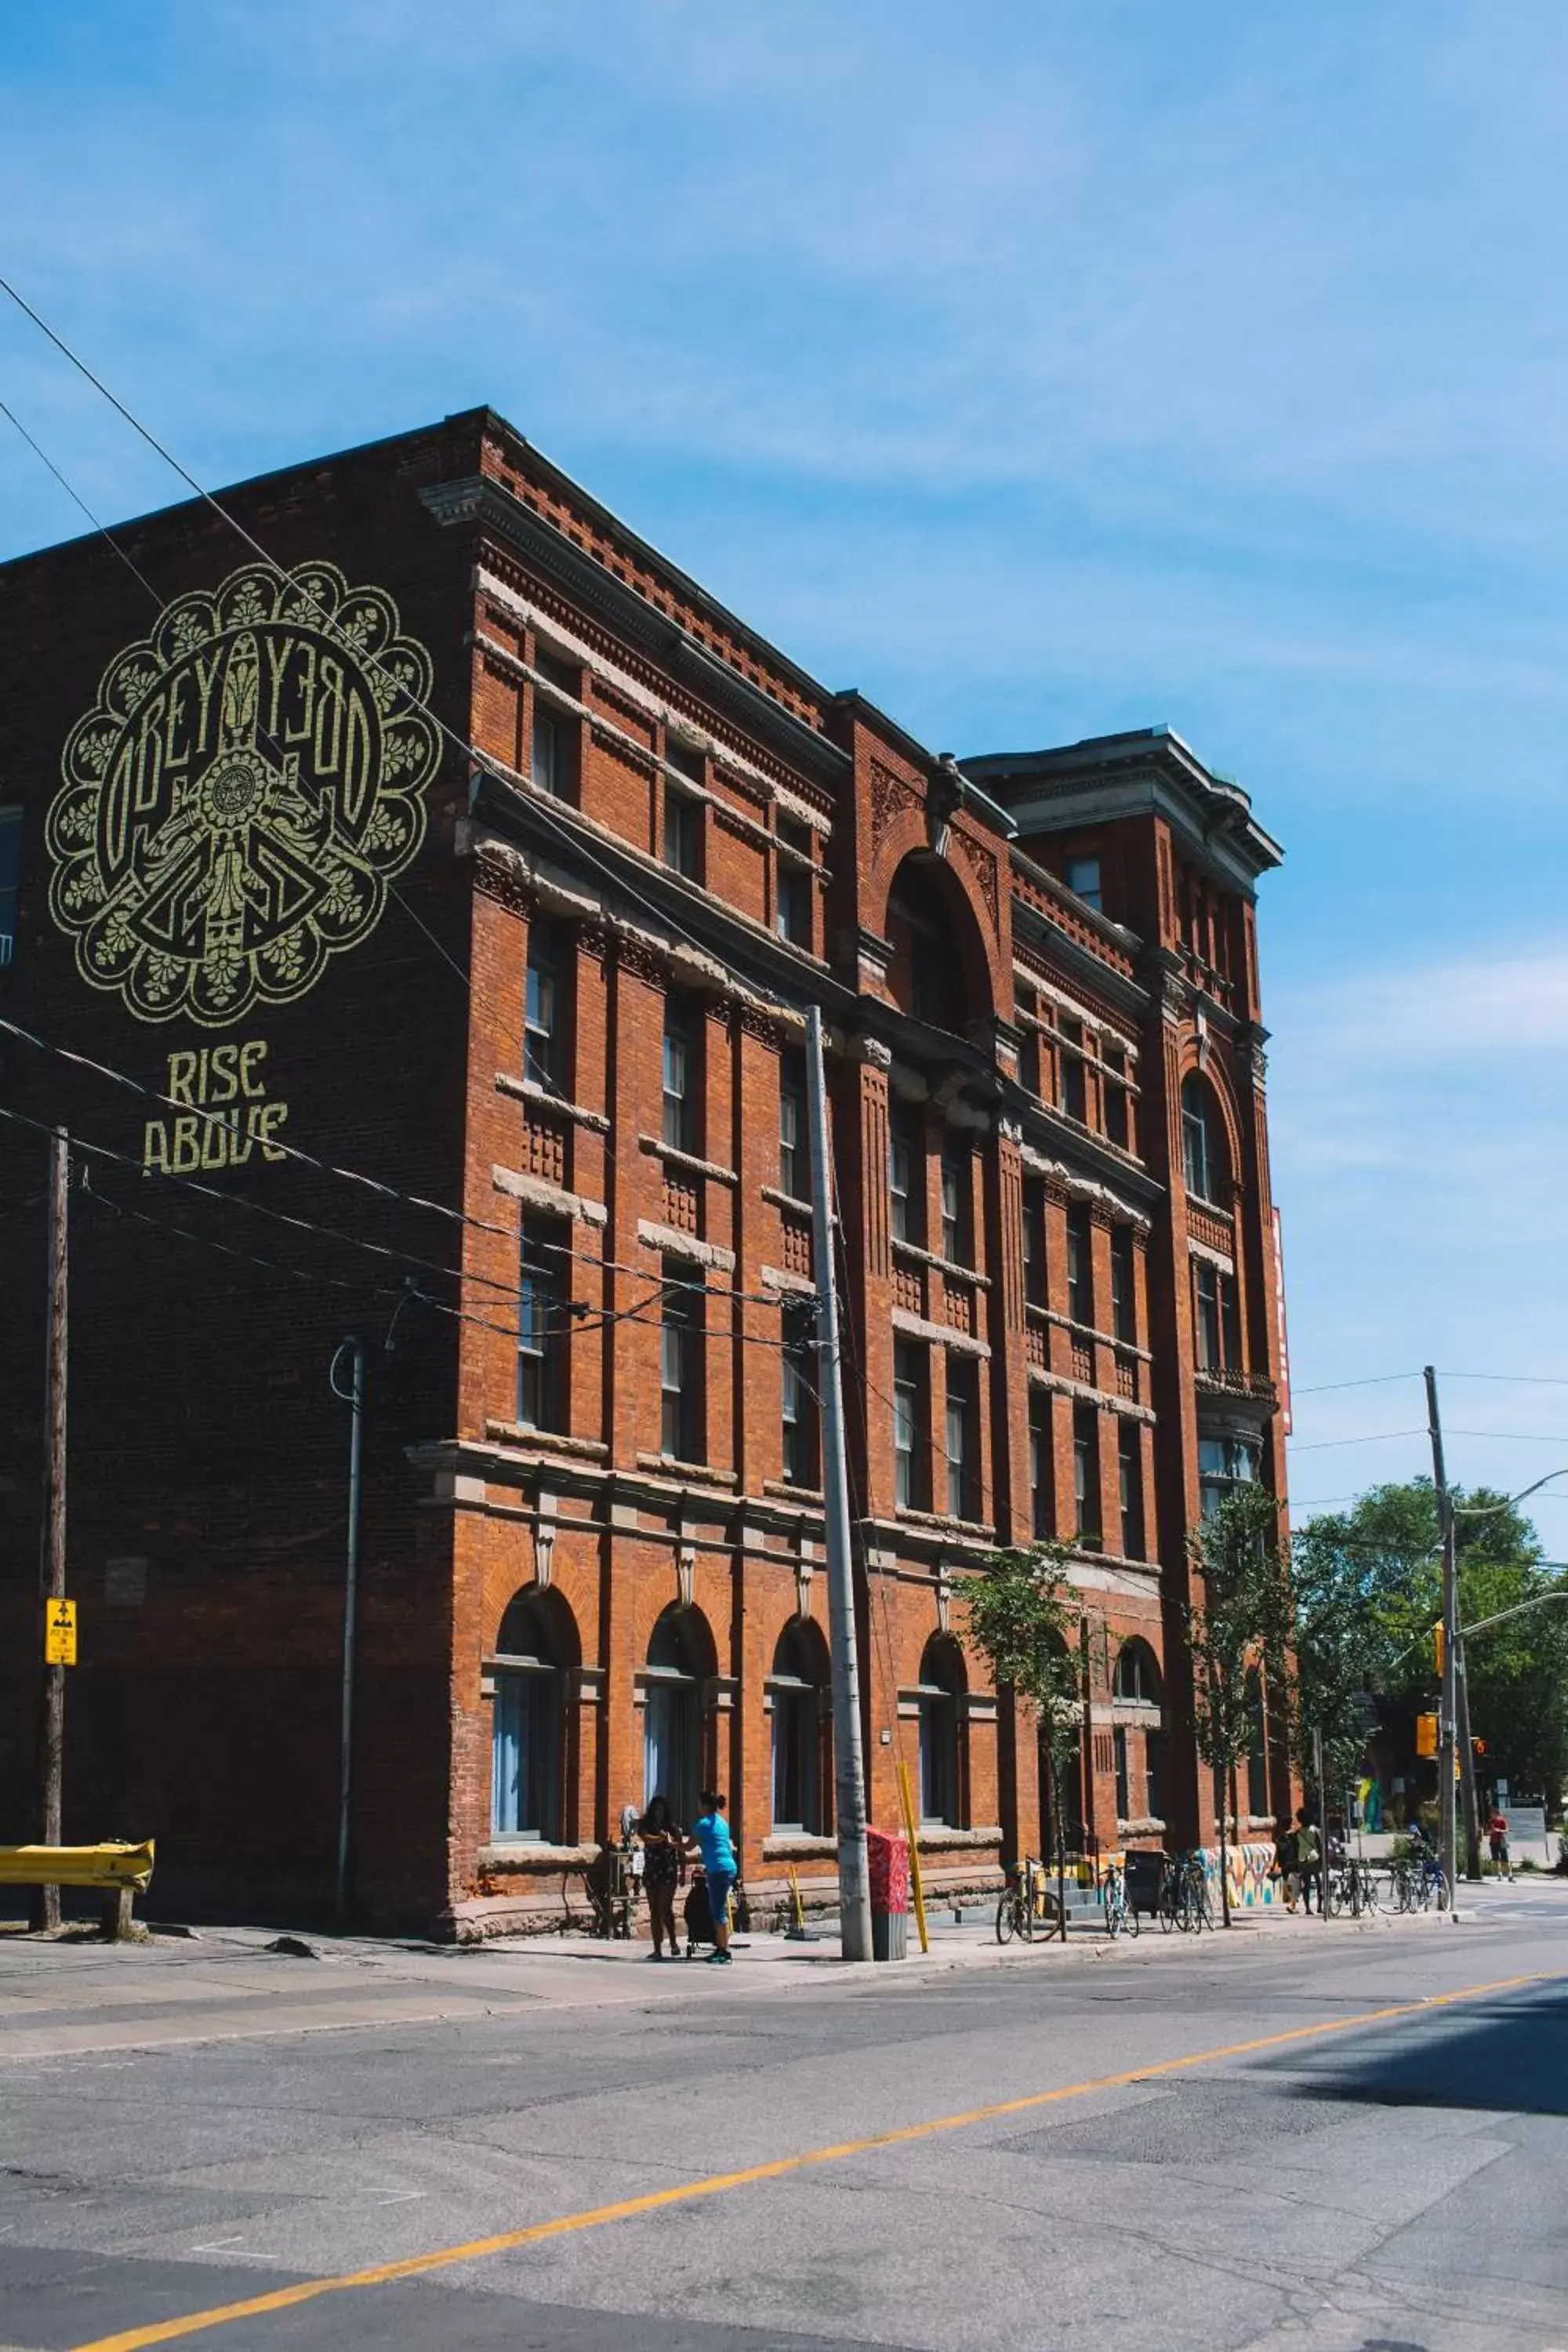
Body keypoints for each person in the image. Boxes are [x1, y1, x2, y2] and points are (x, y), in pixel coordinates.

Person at [688, 1789, 738, 1964]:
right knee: (718, 1908)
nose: (697, 1807)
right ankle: (721, 1947)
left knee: (718, 1911)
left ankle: (724, 1951)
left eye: (698, 1804)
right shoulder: (722, 1822)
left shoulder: (703, 1824)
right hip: (728, 1867)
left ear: (704, 1806)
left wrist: (672, 1843)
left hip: (719, 1870)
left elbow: (688, 1847)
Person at [637, 1795, 684, 1958]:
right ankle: (657, 1949)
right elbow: (646, 1839)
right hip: (651, 1870)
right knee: (654, 1910)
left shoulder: (673, 1828)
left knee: (665, 1908)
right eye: (656, 1810)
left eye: (662, 1810)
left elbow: (681, 1851)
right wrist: (661, 1838)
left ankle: (673, 1942)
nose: (659, 1813)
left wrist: (683, 1872)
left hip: (668, 1871)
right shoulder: (646, 1826)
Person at [1292, 1807, 1321, 1916]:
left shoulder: (1298, 1833)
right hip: (1315, 1859)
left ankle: (1308, 1908)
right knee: (1319, 1883)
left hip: (1303, 1860)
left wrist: (1296, 1862)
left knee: (1307, 1885)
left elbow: (1296, 1848)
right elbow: (1320, 1846)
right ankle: (1320, 1907)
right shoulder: (1315, 1830)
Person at [1273, 1820, 1298, 1914]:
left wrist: (1273, 1865)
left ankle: (1292, 1904)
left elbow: (1276, 1854)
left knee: (1288, 1885)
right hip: (1293, 1863)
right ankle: (1293, 1905)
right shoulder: (1294, 1837)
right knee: (1294, 1885)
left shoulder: (1280, 1838)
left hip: (1284, 1864)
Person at [1488, 1806, 1512, 1881]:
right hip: (1493, 1841)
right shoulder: (1490, 1822)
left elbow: (1507, 1830)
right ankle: (1500, 1875)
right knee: (1496, 1859)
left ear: (1497, 1814)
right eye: (1491, 1814)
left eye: (1493, 1814)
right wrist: (1491, 1832)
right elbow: (1487, 1832)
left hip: (1501, 1841)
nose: (1492, 1816)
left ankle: (1510, 1875)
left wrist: (1499, 1830)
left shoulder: (1502, 1821)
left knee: (1505, 1859)